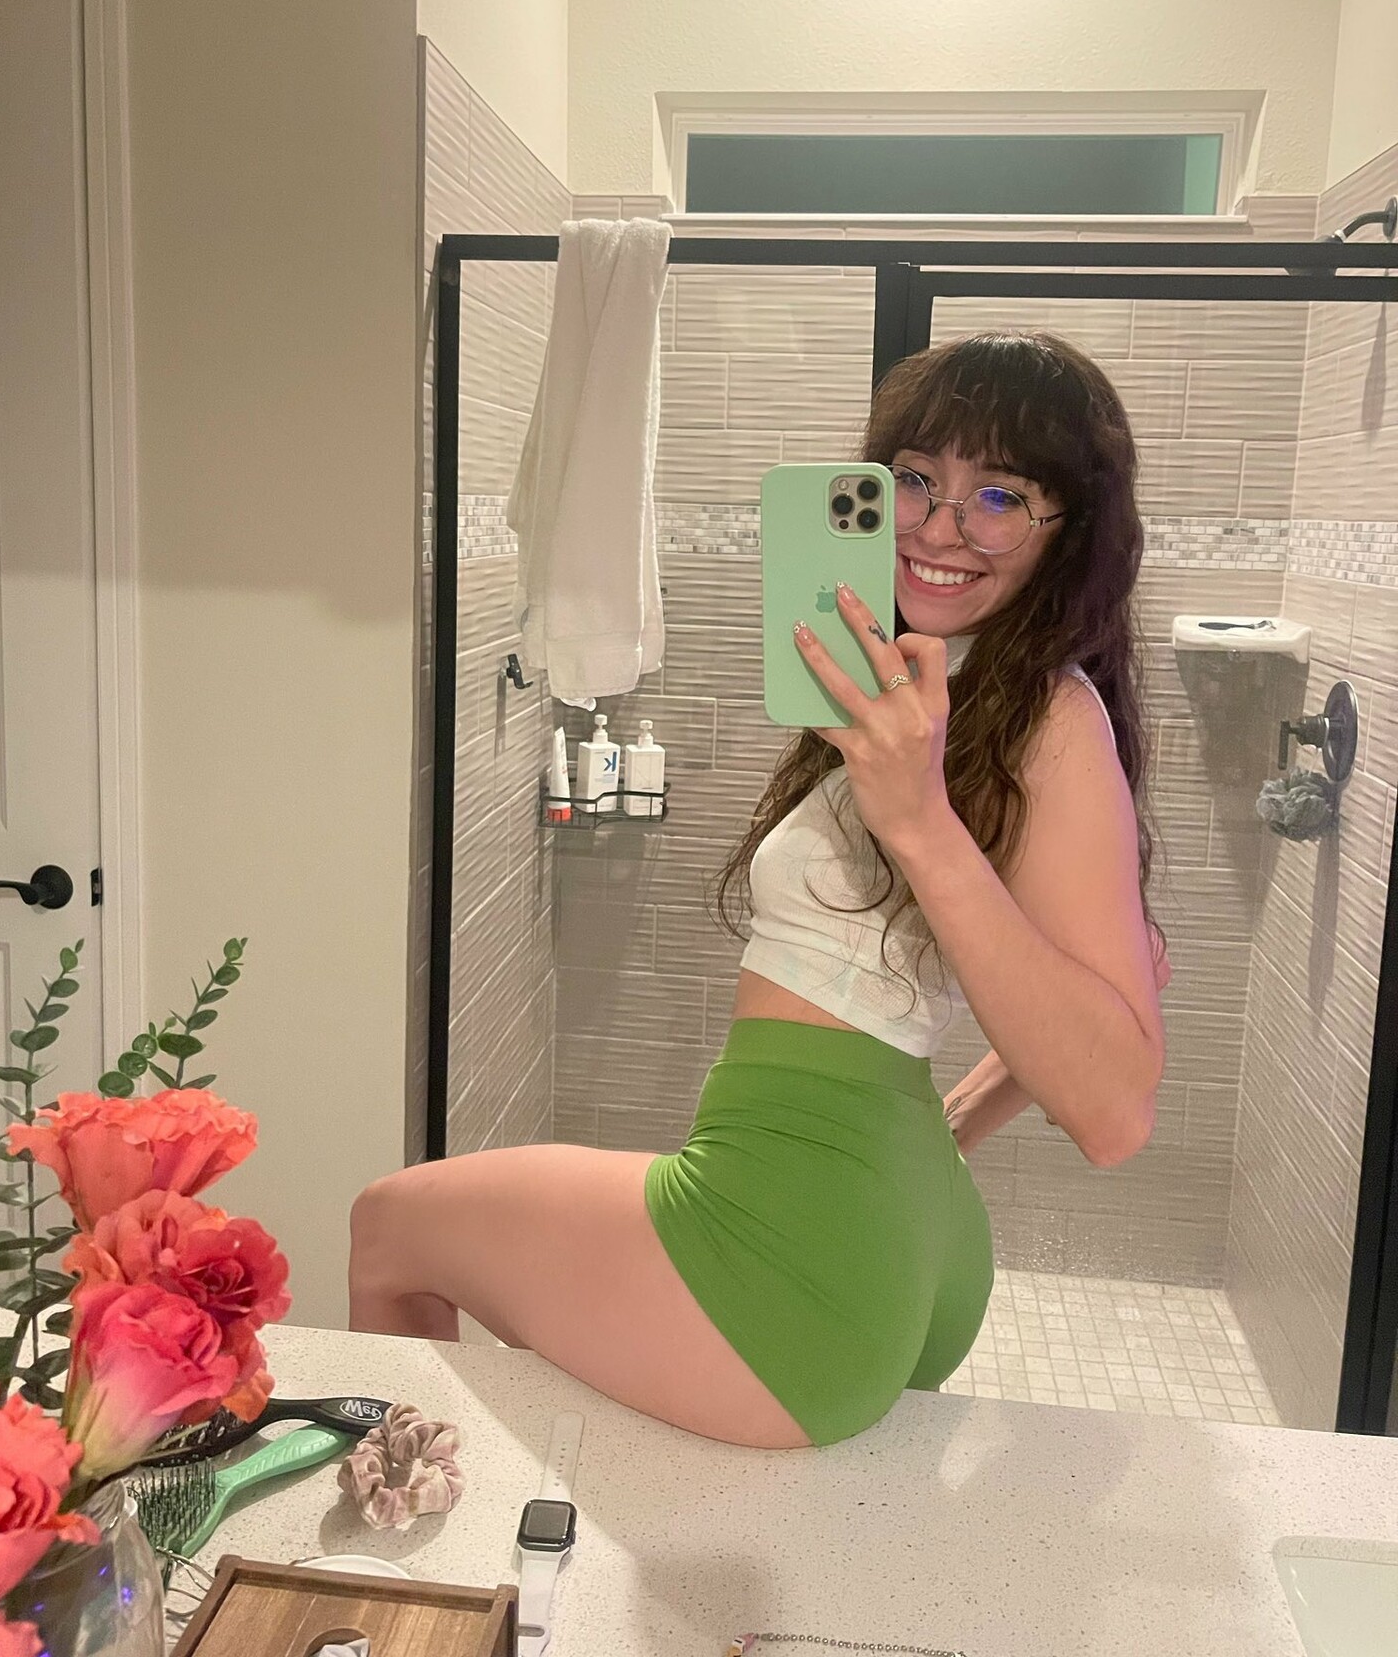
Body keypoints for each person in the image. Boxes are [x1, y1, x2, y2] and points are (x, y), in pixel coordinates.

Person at [349, 331, 1168, 1450]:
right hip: (891, 1204)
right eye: (916, 479)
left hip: (806, 1243)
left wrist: (918, 821)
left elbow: (1115, 1109)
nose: (938, 528)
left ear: (1072, 530)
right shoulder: (955, 693)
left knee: (391, 1229)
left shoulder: (1049, 719)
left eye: (1000, 497)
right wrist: (947, 1129)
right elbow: (1116, 977)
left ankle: (410, 1529)